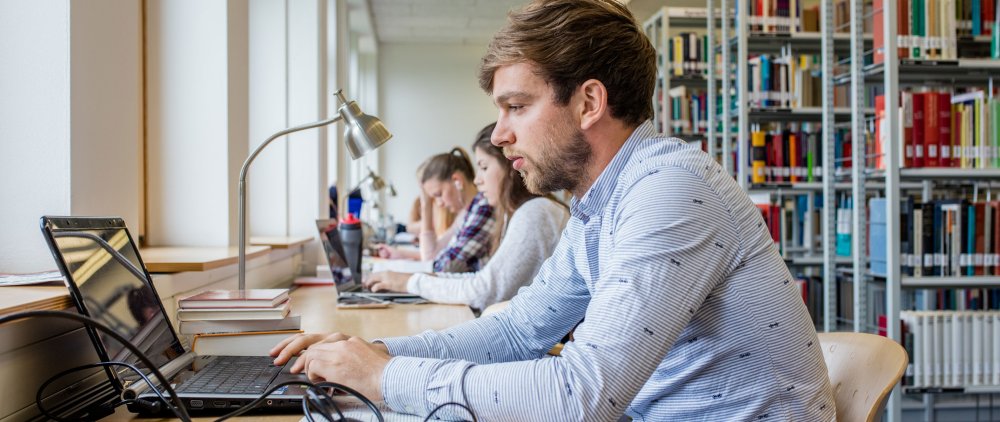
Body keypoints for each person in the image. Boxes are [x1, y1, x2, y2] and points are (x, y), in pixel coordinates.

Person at [270, 1, 836, 420]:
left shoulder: (669, 187)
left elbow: (583, 394)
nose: (499, 133)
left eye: (517, 106)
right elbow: (520, 331)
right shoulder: (599, 201)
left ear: (589, 102)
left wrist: (385, 377)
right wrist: (375, 352)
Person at [363, 123, 569, 311]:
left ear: (511, 167)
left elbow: (485, 290)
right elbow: (480, 280)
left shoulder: (536, 213)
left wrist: (409, 282)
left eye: (485, 167)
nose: (478, 180)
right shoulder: (517, 214)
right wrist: (407, 279)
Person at [378, 148, 497, 273]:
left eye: (439, 194)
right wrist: (402, 254)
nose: (439, 203)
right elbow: (434, 255)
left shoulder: (483, 208)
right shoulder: (466, 214)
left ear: (457, 181)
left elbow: (438, 263)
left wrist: (426, 205)